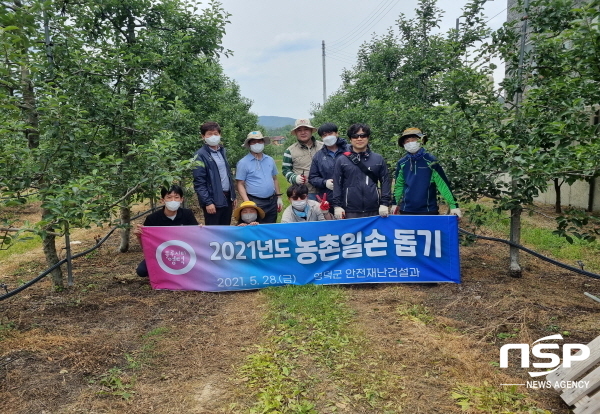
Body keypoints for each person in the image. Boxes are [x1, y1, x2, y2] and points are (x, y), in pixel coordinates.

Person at [392, 127, 462, 217]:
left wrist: (453, 205)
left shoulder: (431, 161)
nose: (410, 143)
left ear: (421, 141)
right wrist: (394, 203)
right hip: (407, 209)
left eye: (413, 140)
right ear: (403, 144)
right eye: (407, 141)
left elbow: (442, 185)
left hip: (428, 210)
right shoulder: (402, 163)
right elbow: (399, 185)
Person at [134, 185, 199, 277]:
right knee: (142, 271)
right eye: (169, 197)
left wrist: (200, 230)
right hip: (161, 254)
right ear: (162, 200)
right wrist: (139, 236)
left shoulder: (187, 214)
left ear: (181, 199)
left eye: (176, 197)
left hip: (184, 252)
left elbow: (195, 237)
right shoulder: (152, 218)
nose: (173, 200)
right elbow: (146, 246)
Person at [332, 123, 392, 219]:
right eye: (355, 136)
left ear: (368, 138)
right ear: (350, 139)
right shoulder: (342, 160)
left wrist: (385, 203)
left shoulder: (378, 159)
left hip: (375, 210)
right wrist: (337, 206)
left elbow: (385, 181)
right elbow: (337, 184)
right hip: (350, 210)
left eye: (363, 136)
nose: (359, 139)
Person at [192, 121, 236, 225]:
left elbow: (227, 175)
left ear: (220, 135)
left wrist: (233, 196)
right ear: (203, 136)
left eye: (215, 134)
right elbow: (199, 182)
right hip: (213, 201)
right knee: (214, 233)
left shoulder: (222, 151)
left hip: (227, 198)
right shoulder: (200, 155)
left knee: (225, 230)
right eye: (209, 134)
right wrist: (208, 202)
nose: (213, 136)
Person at [235, 131, 283, 224]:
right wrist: (247, 203)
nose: (257, 144)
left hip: (271, 200)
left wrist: (279, 197)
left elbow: (275, 178)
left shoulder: (270, 160)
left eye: (259, 141)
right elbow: (240, 184)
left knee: (271, 227)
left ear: (263, 143)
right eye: (253, 142)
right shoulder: (243, 163)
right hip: (255, 201)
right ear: (249, 144)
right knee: (256, 227)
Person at [308, 122, 350, 217]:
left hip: (351, 197)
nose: (328, 137)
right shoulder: (318, 156)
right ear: (321, 138)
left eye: (330, 133)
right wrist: (324, 182)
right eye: (324, 135)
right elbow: (312, 178)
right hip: (330, 199)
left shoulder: (350, 150)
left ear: (337, 133)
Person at [282, 119, 323, 200]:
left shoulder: (323, 146)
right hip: (304, 193)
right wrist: (294, 178)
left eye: (306, 129)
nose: (303, 132)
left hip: (324, 189)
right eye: (299, 130)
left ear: (311, 131)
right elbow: (285, 170)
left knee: (326, 212)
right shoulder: (290, 151)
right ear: (296, 133)